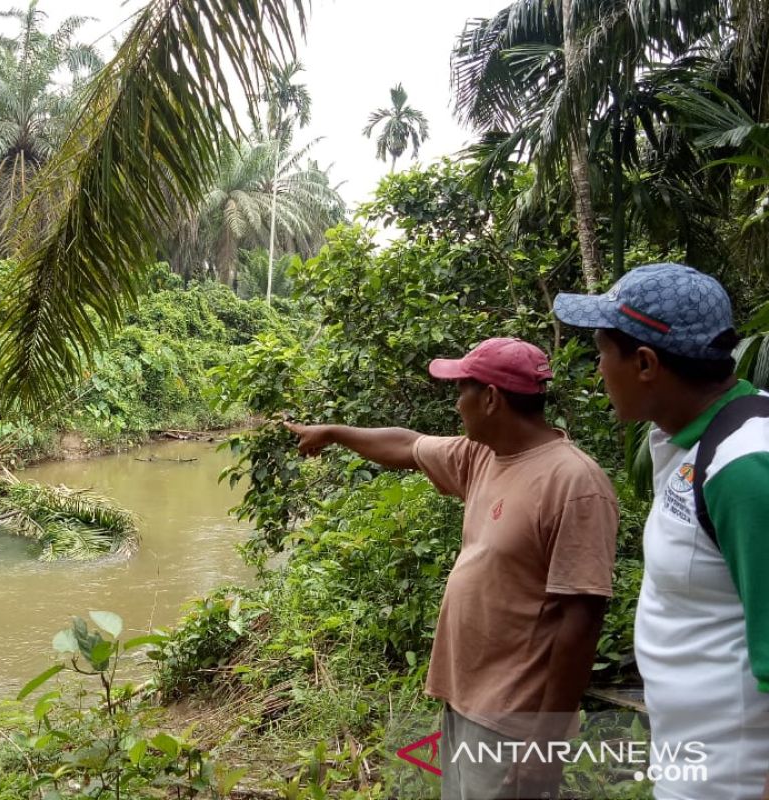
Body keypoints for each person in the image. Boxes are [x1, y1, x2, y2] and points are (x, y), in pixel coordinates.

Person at [284, 337, 618, 800]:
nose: (457, 403)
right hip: (464, 700)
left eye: (461, 390)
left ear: (491, 398)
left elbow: (581, 620)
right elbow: (407, 445)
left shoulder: (573, 482)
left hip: (513, 719)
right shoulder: (482, 455)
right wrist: (335, 432)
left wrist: (546, 743)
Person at [555, 263, 769, 799]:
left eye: (602, 352)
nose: (597, 370)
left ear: (645, 363)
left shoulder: (745, 468)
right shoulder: (689, 441)